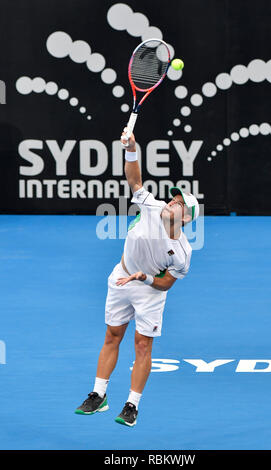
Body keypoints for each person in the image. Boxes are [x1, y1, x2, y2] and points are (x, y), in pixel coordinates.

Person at [75, 130, 199, 426]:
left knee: (142, 345)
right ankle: (98, 395)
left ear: (185, 218)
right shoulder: (152, 205)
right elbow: (134, 180)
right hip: (120, 278)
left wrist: (145, 279)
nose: (171, 202)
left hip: (149, 292)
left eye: (179, 203)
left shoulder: (182, 253)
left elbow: (167, 283)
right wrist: (132, 148)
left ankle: (132, 405)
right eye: (173, 199)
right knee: (112, 335)